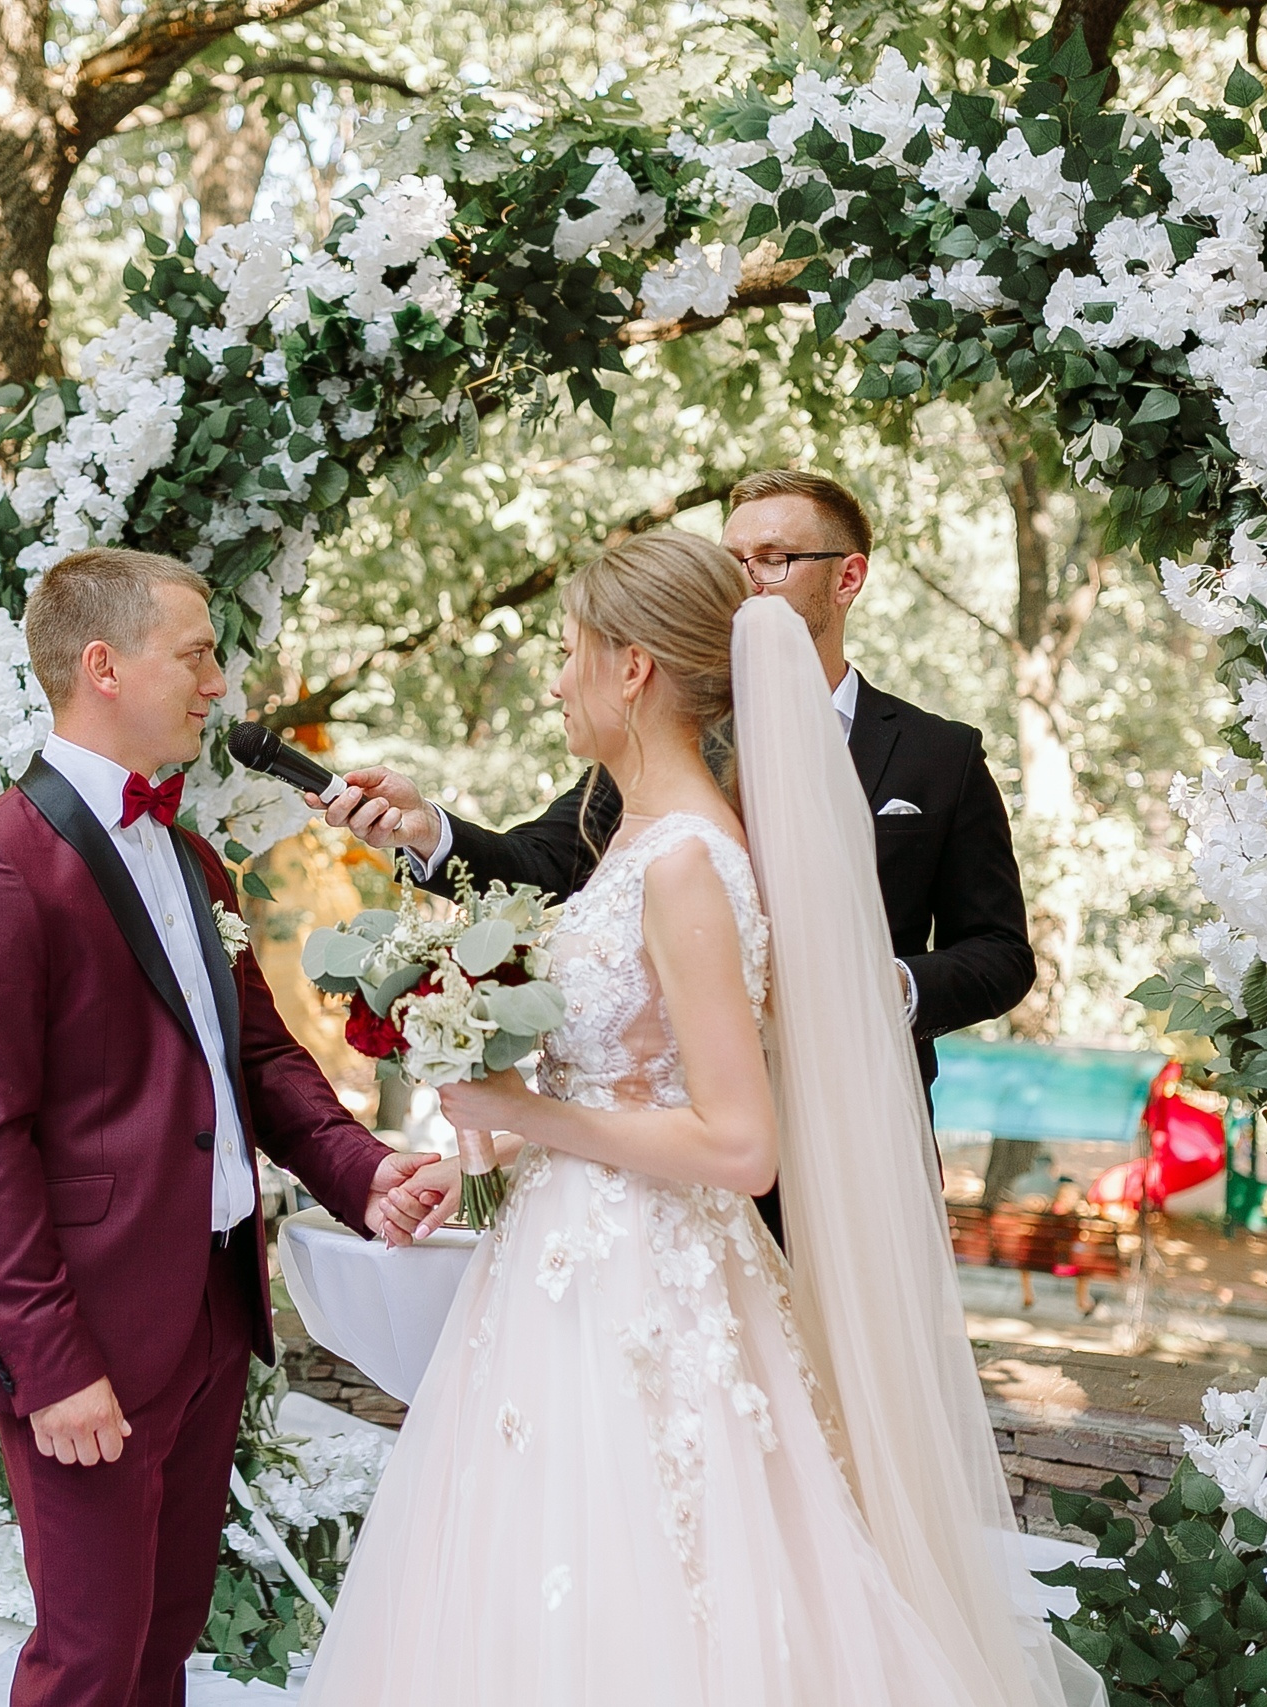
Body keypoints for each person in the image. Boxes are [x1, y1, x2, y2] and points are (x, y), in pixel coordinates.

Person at [301, 531, 1096, 1706]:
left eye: (568, 651)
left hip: (651, 1286)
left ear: (632, 669)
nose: (555, 678)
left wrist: (529, 1110)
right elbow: (634, 1078)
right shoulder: (627, 833)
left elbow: (738, 1141)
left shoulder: (686, 862)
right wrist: (490, 1136)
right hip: (568, 1267)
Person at [0, 548, 439, 1707]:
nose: (216, 685)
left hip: (206, 1308)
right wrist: (50, 1368)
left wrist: (370, 1168)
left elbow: (256, 1060)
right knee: (90, 1660)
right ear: (103, 664)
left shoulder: (193, 857)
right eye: (194, 654)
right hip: (85, 1331)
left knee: (162, 1639)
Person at [320, 469, 1034, 1103]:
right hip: (687, 1121)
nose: (746, 581)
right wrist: (427, 830)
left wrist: (887, 987)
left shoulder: (941, 755)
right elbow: (540, 864)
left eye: (774, 560)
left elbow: (1001, 952)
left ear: (846, 578)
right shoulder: (673, 738)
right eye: (732, 561)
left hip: (862, 1114)